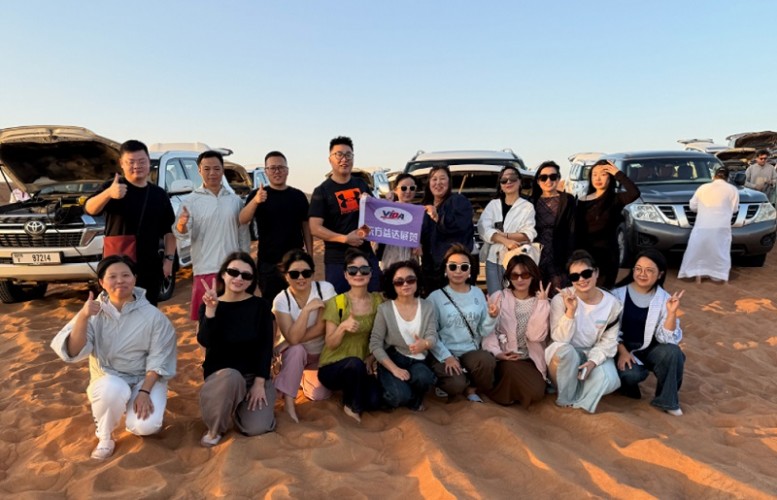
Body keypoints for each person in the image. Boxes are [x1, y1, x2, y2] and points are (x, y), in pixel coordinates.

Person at [50, 255, 177, 460]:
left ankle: (131, 407)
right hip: (109, 379)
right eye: (112, 276)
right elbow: (73, 350)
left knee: (145, 426)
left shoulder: (153, 316)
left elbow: (159, 357)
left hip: (143, 380)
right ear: (102, 282)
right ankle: (105, 436)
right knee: (113, 388)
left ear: (134, 278)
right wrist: (83, 316)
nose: (120, 281)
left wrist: (144, 391)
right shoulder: (93, 311)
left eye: (126, 275)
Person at [197, 252, 276, 447]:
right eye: (233, 272)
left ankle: (241, 407)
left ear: (252, 280)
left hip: (252, 377)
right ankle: (215, 429)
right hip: (223, 378)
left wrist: (259, 383)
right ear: (223, 274)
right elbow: (205, 341)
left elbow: (266, 347)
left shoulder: (260, 306)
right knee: (231, 377)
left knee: (256, 428)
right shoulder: (209, 305)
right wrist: (211, 310)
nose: (239, 278)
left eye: (246, 275)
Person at [85, 140, 177, 305]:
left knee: (148, 310)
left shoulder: (159, 194)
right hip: (118, 268)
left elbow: (169, 231)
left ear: (148, 161)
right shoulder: (112, 187)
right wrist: (108, 194)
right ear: (121, 163)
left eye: (141, 161)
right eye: (131, 162)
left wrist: (169, 261)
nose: (137, 166)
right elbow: (89, 208)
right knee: (117, 310)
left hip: (149, 267)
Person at [174, 150, 250, 320]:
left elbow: (243, 235)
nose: (212, 173)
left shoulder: (234, 200)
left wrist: (245, 264)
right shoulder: (190, 201)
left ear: (222, 170)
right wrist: (181, 224)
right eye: (207, 169)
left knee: (233, 320)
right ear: (199, 171)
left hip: (232, 271)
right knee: (206, 322)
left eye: (216, 168)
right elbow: (181, 235)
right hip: (205, 270)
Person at [546, 250, 622, 413]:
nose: (581, 280)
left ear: (596, 272)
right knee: (564, 352)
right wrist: (570, 312)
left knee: (610, 379)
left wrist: (593, 362)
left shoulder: (613, 304)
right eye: (575, 277)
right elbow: (559, 338)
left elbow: (609, 341)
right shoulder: (561, 299)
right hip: (566, 353)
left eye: (586, 273)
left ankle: (579, 397)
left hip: (591, 352)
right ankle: (565, 397)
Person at [612, 249, 685, 416]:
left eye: (649, 270)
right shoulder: (617, 295)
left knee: (674, 352)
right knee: (631, 375)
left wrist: (671, 313)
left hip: (650, 348)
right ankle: (627, 386)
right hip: (622, 348)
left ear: (660, 274)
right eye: (638, 269)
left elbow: (666, 338)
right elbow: (609, 330)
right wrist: (622, 352)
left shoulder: (664, 298)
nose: (642, 274)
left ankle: (668, 401)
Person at [318, 249, 383, 422]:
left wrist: (371, 357)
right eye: (353, 270)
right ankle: (351, 405)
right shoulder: (337, 303)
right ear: (346, 275)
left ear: (371, 273)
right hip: (333, 367)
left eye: (364, 270)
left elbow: (381, 336)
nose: (359, 274)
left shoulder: (378, 301)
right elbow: (330, 343)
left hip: (362, 366)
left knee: (375, 401)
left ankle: (354, 391)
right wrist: (342, 327)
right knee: (353, 364)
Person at [309, 137, 380, 294]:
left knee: (373, 300)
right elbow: (314, 227)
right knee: (340, 303)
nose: (344, 159)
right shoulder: (322, 191)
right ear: (330, 159)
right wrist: (345, 238)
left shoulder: (361, 184)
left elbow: (375, 214)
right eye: (339, 154)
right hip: (337, 260)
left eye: (348, 155)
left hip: (365, 256)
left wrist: (388, 200)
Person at [272, 249, 336, 423]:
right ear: (286, 276)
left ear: (313, 273)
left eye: (306, 273)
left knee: (319, 395)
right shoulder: (281, 300)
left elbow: (322, 327)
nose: (301, 278)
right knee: (297, 349)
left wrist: (288, 341)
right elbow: (292, 339)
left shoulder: (325, 289)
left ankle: (296, 377)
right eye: (294, 274)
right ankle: (289, 404)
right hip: (294, 354)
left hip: (320, 354)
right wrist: (306, 311)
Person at [427, 244, 498, 402]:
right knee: (455, 385)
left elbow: (483, 331)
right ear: (446, 270)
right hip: (445, 352)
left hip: (470, 351)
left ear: (470, 271)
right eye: (453, 266)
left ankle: (471, 388)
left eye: (464, 267)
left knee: (486, 361)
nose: (458, 271)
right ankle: (452, 383)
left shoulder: (478, 293)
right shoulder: (435, 297)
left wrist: (492, 317)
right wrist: (446, 357)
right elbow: (430, 333)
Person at [240, 151, 313, 300]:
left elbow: (306, 227)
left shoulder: (298, 196)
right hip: (268, 263)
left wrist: (310, 255)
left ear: (287, 170)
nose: (277, 171)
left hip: (295, 262)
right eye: (272, 168)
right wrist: (256, 201)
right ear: (266, 171)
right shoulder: (258, 194)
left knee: (298, 303)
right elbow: (243, 219)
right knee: (271, 307)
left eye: (281, 167)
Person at [482, 254, 550, 408]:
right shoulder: (499, 297)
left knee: (536, 393)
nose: (520, 279)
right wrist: (497, 353)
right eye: (515, 275)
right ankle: (506, 394)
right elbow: (489, 332)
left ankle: (512, 392)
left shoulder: (542, 302)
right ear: (509, 277)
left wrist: (542, 304)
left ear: (533, 275)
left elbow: (535, 336)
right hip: (505, 358)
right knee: (509, 369)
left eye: (525, 275)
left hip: (531, 360)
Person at [370, 260, 437, 411]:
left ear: (417, 281)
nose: (405, 284)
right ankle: (403, 392)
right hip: (393, 358)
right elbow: (375, 343)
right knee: (399, 397)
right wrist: (394, 369)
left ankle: (409, 392)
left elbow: (433, 336)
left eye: (410, 279)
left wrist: (425, 344)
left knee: (424, 378)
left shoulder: (427, 306)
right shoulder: (385, 309)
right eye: (399, 282)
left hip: (419, 361)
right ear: (392, 285)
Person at [575, 160, 640, 289]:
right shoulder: (582, 201)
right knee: (585, 290)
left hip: (607, 256)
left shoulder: (616, 199)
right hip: (585, 255)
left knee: (603, 291)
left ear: (610, 177)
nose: (598, 178)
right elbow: (577, 230)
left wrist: (618, 173)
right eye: (594, 174)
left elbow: (634, 193)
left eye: (603, 174)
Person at [478, 166, 537, 295]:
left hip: (517, 259)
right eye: (504, 180)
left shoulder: (527, 207)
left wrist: (503, 235)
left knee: (517, 297)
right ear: (500, 185)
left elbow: (528, 233)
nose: (508, 182)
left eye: (512, 178)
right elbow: (483, 228)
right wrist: (506, 241)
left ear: (520, 181)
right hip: (494, 260)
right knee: (496, 297)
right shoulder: (493, 205)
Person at [678, 166, 739, 283]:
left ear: (714, 176)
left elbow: (693, 206)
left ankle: (696, 273)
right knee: (720, 251)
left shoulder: (703, 188)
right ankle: (718, 275)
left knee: (698, 250)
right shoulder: (733, 190)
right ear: (727, 178)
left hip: (702, 225)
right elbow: (734, 209)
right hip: (722, 227)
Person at [421, 165, 476, 293]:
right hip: (429, 270)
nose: (438, 183)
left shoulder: (458, 201)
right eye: (434, 179)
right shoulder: (424, 206)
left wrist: (437, 217)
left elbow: (460, 227)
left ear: (449, 182)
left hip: (453, 268)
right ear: (429, 183)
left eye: (442, 179)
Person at [530, 161, 576, 293]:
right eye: (543, 177)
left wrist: (571, 258)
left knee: (560, 295)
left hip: (560, 256)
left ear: (559, 178)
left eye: (553, 177)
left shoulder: (568, 200)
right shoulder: (531, 202)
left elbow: (573, 229)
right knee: (538, 295)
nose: (548, 181)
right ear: (538, 181)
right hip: (537, 256)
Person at [378, 173, 422, 269]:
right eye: (403, 188)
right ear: (395, 190)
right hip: (391, 257)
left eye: (412, 188)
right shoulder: (388, 209)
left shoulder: (419, 211)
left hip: (411, 258)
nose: (408, 191)